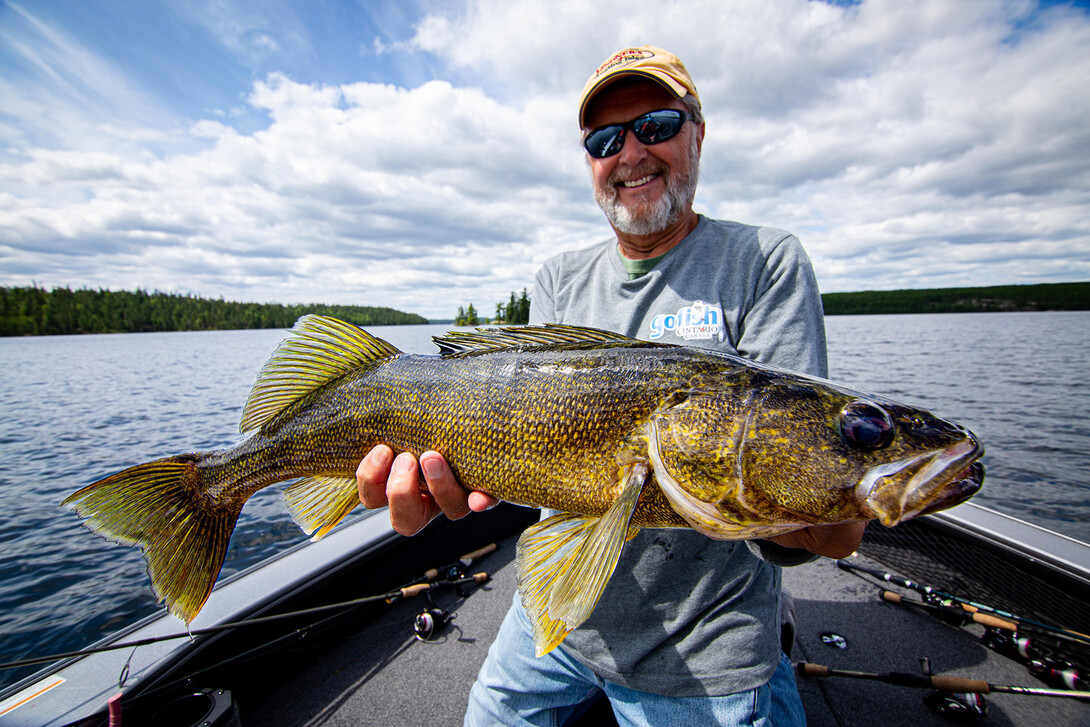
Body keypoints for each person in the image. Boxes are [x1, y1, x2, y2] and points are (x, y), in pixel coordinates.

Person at [358, 45, 866, 726]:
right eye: (605, 139)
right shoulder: (558, 279)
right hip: (557, 618)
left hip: (703, 645)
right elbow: (526, 457)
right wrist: (435, 491)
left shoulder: (764, 262)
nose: (630, 153)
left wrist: (828, 513)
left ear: (698, 132)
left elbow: (797, 496)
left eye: (655, 124)